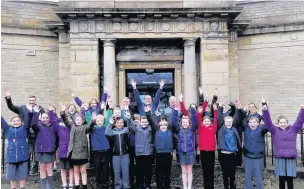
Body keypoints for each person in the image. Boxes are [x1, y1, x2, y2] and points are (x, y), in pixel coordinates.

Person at [262, 98, 304, 189]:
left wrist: (302, 110)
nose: (283, 124)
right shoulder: (274, 130)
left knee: (290, 179)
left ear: (287, 123)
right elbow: (268, 122)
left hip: (290, 158)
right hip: (280, 157)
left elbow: (299, 121)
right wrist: (265, 109)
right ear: (278, 123)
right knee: (281, 179)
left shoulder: (293, 129)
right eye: (281, 122)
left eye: (285, 122)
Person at [5, 91, 45, 175]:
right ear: (28, 100)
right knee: (26, 152)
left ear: (35, 100)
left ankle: (34, 170)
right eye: (30, 100)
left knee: (36, 152)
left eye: (33, 100)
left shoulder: (40, 109)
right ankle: (26, 170)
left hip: (37, 134)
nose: (31, 102)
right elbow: (11, 107)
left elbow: (44, 119)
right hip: (25, 133)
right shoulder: (23, 108)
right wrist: (8, 98)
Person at [234, 101, 268, 189]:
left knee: (258, 178)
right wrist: (242, 110)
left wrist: (263, 113)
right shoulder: (246, 128)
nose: (252, 124)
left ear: (258, 123)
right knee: (247, 177)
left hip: (258, 157)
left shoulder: (261, 129)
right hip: (247, 156)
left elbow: (268, 125)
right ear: (248, 123)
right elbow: (242, 121)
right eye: (251, 122)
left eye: (254, 122)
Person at [1, 113, 33, 189]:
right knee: (11, 176)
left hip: (23, 156)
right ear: (12, 122)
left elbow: (28, 120)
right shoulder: (8, 129)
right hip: (11, 156)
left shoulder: (24, 128)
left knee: (22, 176)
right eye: (14, 121)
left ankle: (22, 187)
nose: (16, 122)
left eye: (18, 120)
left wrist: (30, 113)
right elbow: (1, 121)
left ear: (21, 122)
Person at [127, 106, 156, 189]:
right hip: (139, 153)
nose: (144, 123)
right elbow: (130, 127)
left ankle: (147, 184)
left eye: (145, 122)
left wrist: (149, 115)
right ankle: (140, 183)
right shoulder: (136, 129)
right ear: (139, 122)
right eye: (142, 122)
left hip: (148, 152)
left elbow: (154, 126)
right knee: (139, 169)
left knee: (148, 169)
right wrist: (129, 119)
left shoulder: (150, 129)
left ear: (147, 122)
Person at [172, 103, 198, 189]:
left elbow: (195, 120)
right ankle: (185, 186)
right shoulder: (179, 130)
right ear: (181, 123)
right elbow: (173, 121)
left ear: (189, 123)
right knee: (183, 171)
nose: (185, 123)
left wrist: (193, 110)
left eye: (187, 122)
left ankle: (189, 187)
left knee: (189, 171)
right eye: (183, 122)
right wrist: (175, 111)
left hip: (190, 152)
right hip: (182, 152)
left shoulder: (192, 129)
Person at [31, 107, 57, 189]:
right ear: (41, 118)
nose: (45, 119)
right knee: (42, 168)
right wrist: (36, 113)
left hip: (50, 150)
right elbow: (33, 124)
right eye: (43, 118)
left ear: (49, 118)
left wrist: (50, 111)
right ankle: (43, 187)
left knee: (49, 168)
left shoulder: (53, 127)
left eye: (47, 118)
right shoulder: (38, 127)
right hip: (41, 150)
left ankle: (50, 187)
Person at [217, 102, 241, 189]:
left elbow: (237, 117)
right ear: (224, 122)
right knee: (225, 173)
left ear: (232, 122)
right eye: (227, 121)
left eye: (230, 122)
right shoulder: (221, 129)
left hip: (233, 154)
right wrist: (219, 108)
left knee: (232, 173)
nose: (228, 123)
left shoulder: (234, 129)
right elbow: (219, 118)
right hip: (224, 154)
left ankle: (232, 187)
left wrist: (237, 108)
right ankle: (226, 187)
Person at [49, 105, 74, 189]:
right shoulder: (58, 127)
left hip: (70, 150)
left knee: (71, 169)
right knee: (63, 169)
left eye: (68, 117)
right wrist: (50, 111)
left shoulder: (71, 127)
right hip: (62, 150)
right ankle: (64, 184)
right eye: (65, 117)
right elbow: (52, 121)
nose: (67, 118)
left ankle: (70, 184)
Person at [148, 110, 173, 189]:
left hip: (168, 154)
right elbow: (153, 121)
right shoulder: (157, 131)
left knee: (167, 171)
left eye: (165, 125)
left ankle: (166, 186)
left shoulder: (170, 131)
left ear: (167, 125)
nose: (163, 126)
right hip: (159, 154)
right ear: (159, 125)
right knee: (159, 171)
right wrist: (154, 115)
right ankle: (159, 185)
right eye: (161, 125)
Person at [64, 112, 89, 189]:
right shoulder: (72, 126)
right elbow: (66, 121)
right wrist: (63, 113)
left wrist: (93, 120)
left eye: (80, 120)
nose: (79, 121)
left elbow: (90, 126)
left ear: (83, 120)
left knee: (83, 170)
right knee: (76, 171)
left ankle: (85, 186)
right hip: (74, 152)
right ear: (74, 120)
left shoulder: (85, 127)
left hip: (83, 152)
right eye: (77, 119)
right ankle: (77, 186)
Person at [86, 112, 111, 189]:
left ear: (103, 121)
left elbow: (109, 123)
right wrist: (92, 121)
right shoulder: (92, 128)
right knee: (98, 168)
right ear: (95, 121)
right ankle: (98, 182)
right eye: (98, 120)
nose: (99, 121)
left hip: (105, 150)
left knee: (105, 168)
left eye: (101, 120)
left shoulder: (106, 127)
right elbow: (87, 128)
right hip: (96, 151)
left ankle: (105, 181)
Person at [105, 116, 131, 189]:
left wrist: (129, 118)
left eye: (121, 123)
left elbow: (131, 127)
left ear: (123, 123)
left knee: (126, 172)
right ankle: (118, 186)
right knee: (117, 172)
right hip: (115, 155)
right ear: (115, 124)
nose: (119, 124)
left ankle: (126, 186)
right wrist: (110, 123)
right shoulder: (112, 132)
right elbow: (107, 133)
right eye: (118, 123)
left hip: (125, 154)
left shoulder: (126, 130)